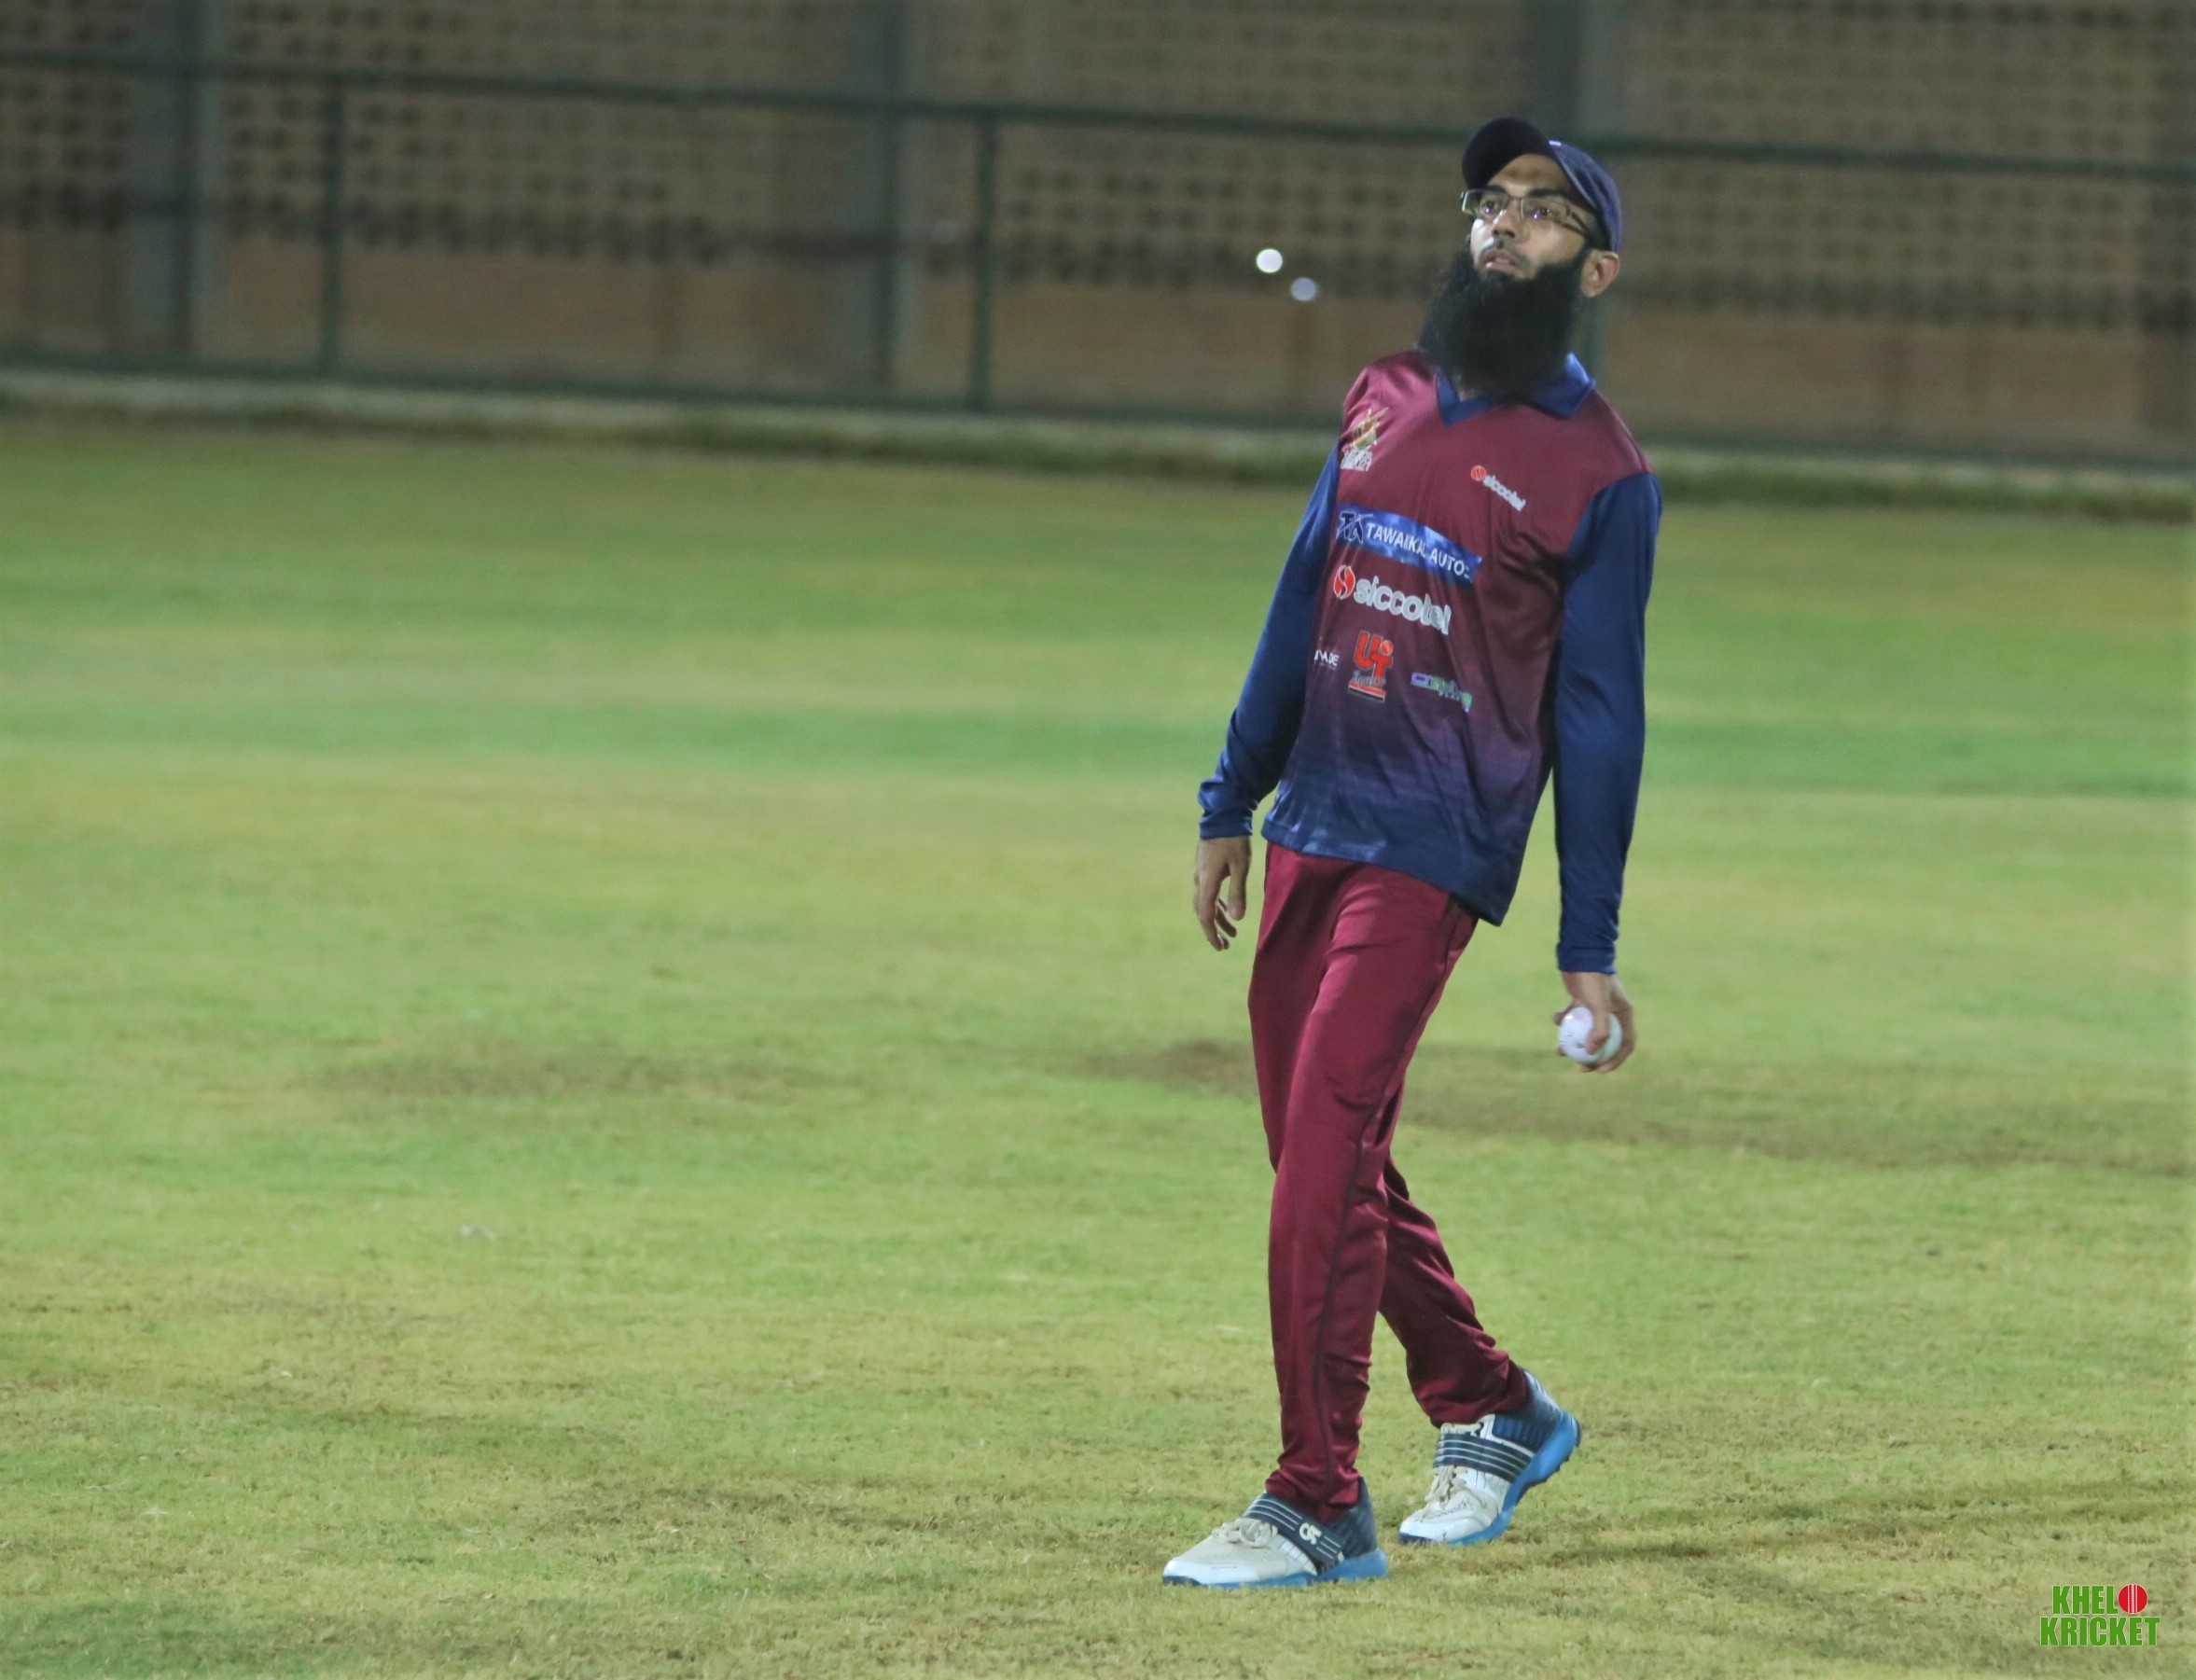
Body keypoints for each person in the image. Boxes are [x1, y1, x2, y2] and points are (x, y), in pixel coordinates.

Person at [1161, 117, 1660, 1590]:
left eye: (1543, 211)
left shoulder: (1600, 473)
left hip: (1436, 841)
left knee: (1323, 1158)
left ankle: (1315, 1497)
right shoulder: (1380, 393)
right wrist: (1228, 797)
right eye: (1491, 201)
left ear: (1594, 270)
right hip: (1313, 813)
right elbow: (1301, 588)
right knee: (1325, 1158)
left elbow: (1600, 713)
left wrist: (1588, 937)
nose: (1504, 223)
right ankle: (1494, 1403)